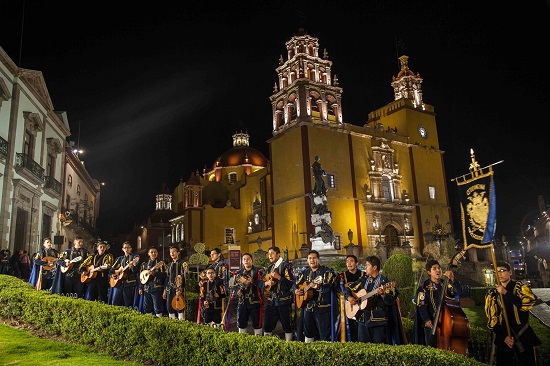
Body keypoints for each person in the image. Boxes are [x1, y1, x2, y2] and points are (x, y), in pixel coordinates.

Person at [485, 261, 541, 366]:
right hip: (504, 338)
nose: (499, 274)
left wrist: (506, 293)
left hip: (522, 335)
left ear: (510, 272)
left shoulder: (520, 288)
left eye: (502, 271)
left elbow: (526, 305)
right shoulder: (492, 294)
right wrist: (504, 337)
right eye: (497, 272)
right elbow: (492, 320)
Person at [344, 255, 404, 344]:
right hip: (362, 320)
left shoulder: (385, 282)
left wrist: (383, 294)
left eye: (367, 265)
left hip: (378, 321)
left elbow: (390, 301)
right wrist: (349, 298)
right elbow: (347, 290)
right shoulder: (363, 280)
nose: (365, 268)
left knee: (379, 349)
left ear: (374, 267)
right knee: (363, 348)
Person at [413, 259, 462, 347]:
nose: (438, 270)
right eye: (434, 268)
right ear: (429, 272)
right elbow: (422, 305)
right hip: (432, 324)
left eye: (439, 268)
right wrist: (427, 319)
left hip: (446, 322)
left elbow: (458, 292)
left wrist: (453, 279)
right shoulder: (424, 287)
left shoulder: (446, 284)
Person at [295, 250, 337, 342]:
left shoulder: (326, 271)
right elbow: (296, 283)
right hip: (308, 308)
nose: (312, 260)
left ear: (318, 259)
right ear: (307, 260)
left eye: (314, 258)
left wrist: (318, 287)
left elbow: (327, 288)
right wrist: (296, 290)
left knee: (324, 335)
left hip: (322, 308)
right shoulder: (305, 272)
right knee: (308, 333)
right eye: (310, 258)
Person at [261, 246, 295, 341]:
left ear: (278, 254)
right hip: (272, 301)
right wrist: (267, 284)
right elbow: (263, 281)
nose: (270, 255)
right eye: (269, 254)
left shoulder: (286, 266)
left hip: (284, 301)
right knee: (267, 325)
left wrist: (279, 277)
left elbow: (291, 283)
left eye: (272, 253)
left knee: (287, 325)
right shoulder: (270, 267)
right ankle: (268, 345)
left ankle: (289, 345)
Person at [234, 252, 265, 335]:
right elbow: (235, 285)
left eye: (248, 259)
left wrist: (253, 281)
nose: (246, 261)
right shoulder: (238, 273)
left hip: (255, 301)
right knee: (241, 322)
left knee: (257, 323)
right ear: (242, 261)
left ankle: (258, 341)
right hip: (242, 301)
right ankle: (243, 342)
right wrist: (238, 290)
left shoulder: (258, 271)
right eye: (244, 259)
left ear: (252, 260)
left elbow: (263, 284)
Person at [339, 254, 366, 341]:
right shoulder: (342, 276)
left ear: (356, 263)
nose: (349, 263)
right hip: (348, 306)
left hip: (361, 304)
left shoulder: (363, 275)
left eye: (351, 261)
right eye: (347, 262)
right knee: (350, 328)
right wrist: (348, 298)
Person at [109, 241, 140, 307]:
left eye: (128, 247)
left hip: (129, 283)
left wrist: (132, 267)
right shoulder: (119, 259)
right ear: (122, 249)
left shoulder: (134, 257)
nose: (126, 249)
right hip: (118, 283)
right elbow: (111, 270)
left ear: (131, 249)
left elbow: (136, 271)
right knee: (115, 302)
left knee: (127, 303)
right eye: (125, 248)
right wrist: (112, 275)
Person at [138, 246, 167, 317]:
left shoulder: (161, 263)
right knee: (147, 308)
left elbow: (165, 275)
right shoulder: (144, 264)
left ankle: (159, 322)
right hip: (146, 288)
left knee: (157, 308)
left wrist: (154, 273)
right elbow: (141, 277)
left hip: (157, 288)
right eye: (152, 252)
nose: (153, 253)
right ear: (148, 253)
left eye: (155, 252)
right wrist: (140, 288)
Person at [163, 246, 186, 320]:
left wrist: (181, 288)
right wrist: (165, 291)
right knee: (170, 307)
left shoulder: (183, 263)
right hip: (169, 288)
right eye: (170, 252)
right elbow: (167, 278)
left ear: (178, 253)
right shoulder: (169, 265)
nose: (172, 253)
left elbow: (184, 276)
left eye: (174, 251)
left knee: (180, 307)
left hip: (178, 289)